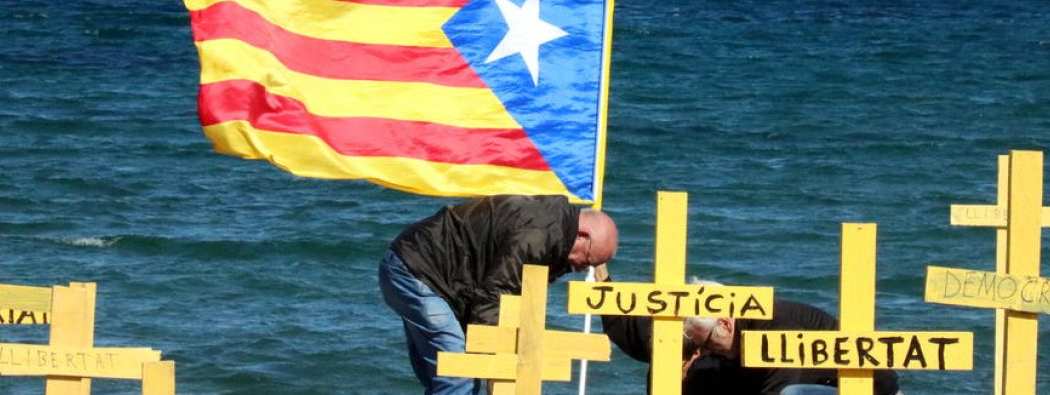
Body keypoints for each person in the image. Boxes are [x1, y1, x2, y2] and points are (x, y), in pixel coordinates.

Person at [378, 194, 618, 395]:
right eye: (587, 260)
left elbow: (513, 297)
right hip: (416, 269)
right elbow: (495, 294)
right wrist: (496, 364)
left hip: (431, 275)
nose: (580, 268)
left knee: (445, 377)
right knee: (461, 375)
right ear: (583, 235)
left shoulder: (555, 239)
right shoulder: (539, 236)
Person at [598, 269, 900, 395]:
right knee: (689, 374)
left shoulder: (775, 333)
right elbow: (644, 338)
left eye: (704, 343)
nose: (702, 350)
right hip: (776, 380)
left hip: (853, 387)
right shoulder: (722, 338)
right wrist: (604, 281)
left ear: (726, 323)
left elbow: (776, 390)